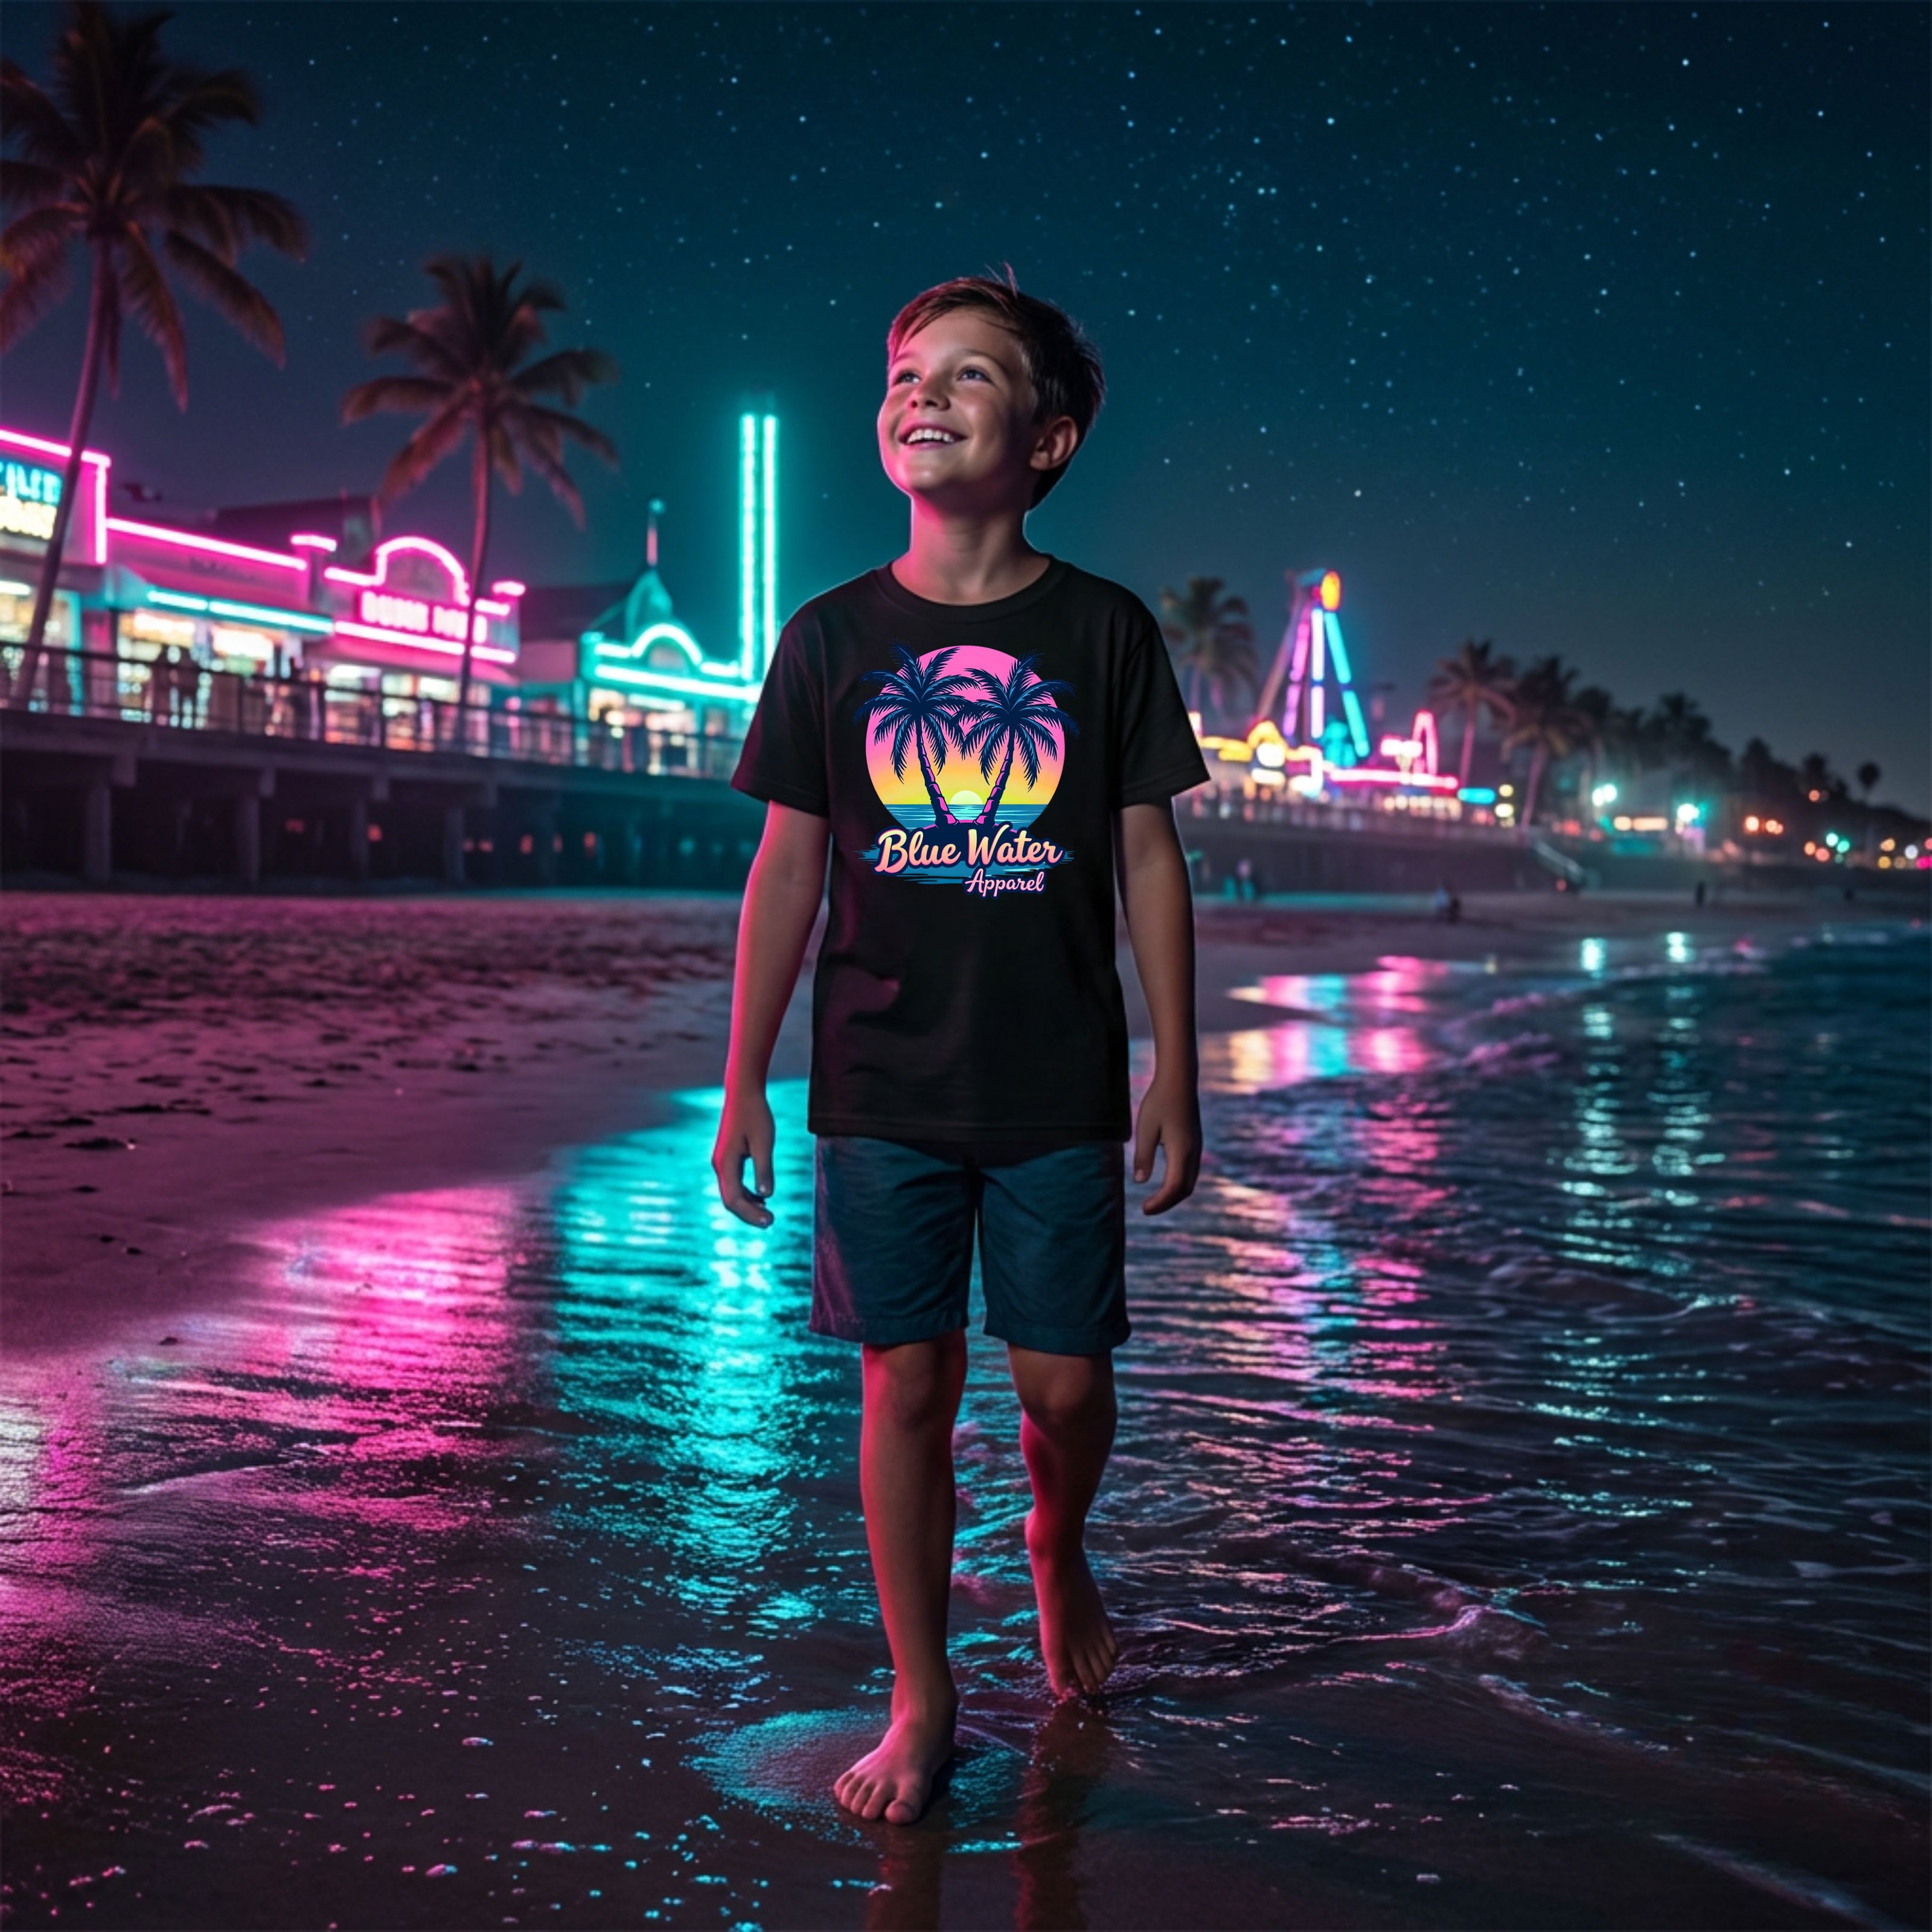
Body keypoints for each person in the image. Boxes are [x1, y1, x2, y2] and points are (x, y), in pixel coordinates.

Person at [712, 275, 1207, 1826]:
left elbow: (1145, 861)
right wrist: (745, 1075)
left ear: (1046, 437)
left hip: (1056, 1077)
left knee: (1062, 1385)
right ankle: (923, 1698)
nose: (922, 394)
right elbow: (788, 865)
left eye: (969, 377)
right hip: (880, 1080)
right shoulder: (832, 634)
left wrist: (1172, 1064)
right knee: (904, 1381)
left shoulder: (1104, 631)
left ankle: (1057, 1543)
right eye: (907, 371)